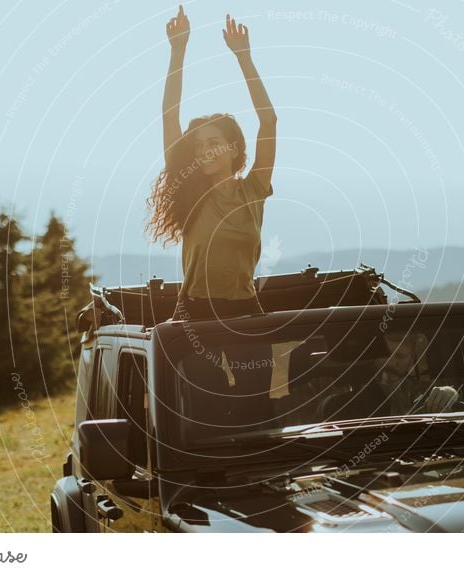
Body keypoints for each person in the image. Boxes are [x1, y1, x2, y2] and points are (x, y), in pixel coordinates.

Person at [145, 5, 277, 429]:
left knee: (256, 410)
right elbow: (169, 115)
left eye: (216, 142)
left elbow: (269, 119)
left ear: (235, 149)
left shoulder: (254, 188)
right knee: (205, 410)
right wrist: (178, 50)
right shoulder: (190, 191)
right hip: (196, 311)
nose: (206, 150)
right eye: (200, 144)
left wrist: (244, 56)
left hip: (246, 310)